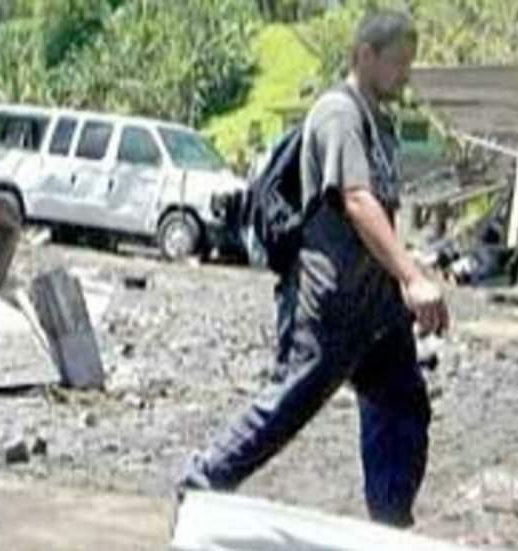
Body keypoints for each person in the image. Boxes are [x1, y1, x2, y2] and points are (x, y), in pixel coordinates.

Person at [177, 10, 448, 528]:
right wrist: (413, 277)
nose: (405, 75)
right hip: (333, 302)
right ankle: (201, 483)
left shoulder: (378, 121)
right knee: (289, 404)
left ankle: (390, 524)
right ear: (363, 56)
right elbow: (357, 200)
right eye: (398, 63)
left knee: (402, 403)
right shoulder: (338, 114)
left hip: (377, 308)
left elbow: (382, 214)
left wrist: (406, 278)